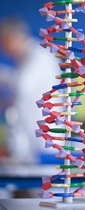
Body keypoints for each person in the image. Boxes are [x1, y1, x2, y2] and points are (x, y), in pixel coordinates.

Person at [0, 17, 58, 162]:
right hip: (30, 132)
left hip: (43, 135)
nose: (2, 47)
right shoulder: (23, 59)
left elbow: (22, 86)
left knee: (43, 178)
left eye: (4, 41)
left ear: (13, 37)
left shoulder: (38, 55)